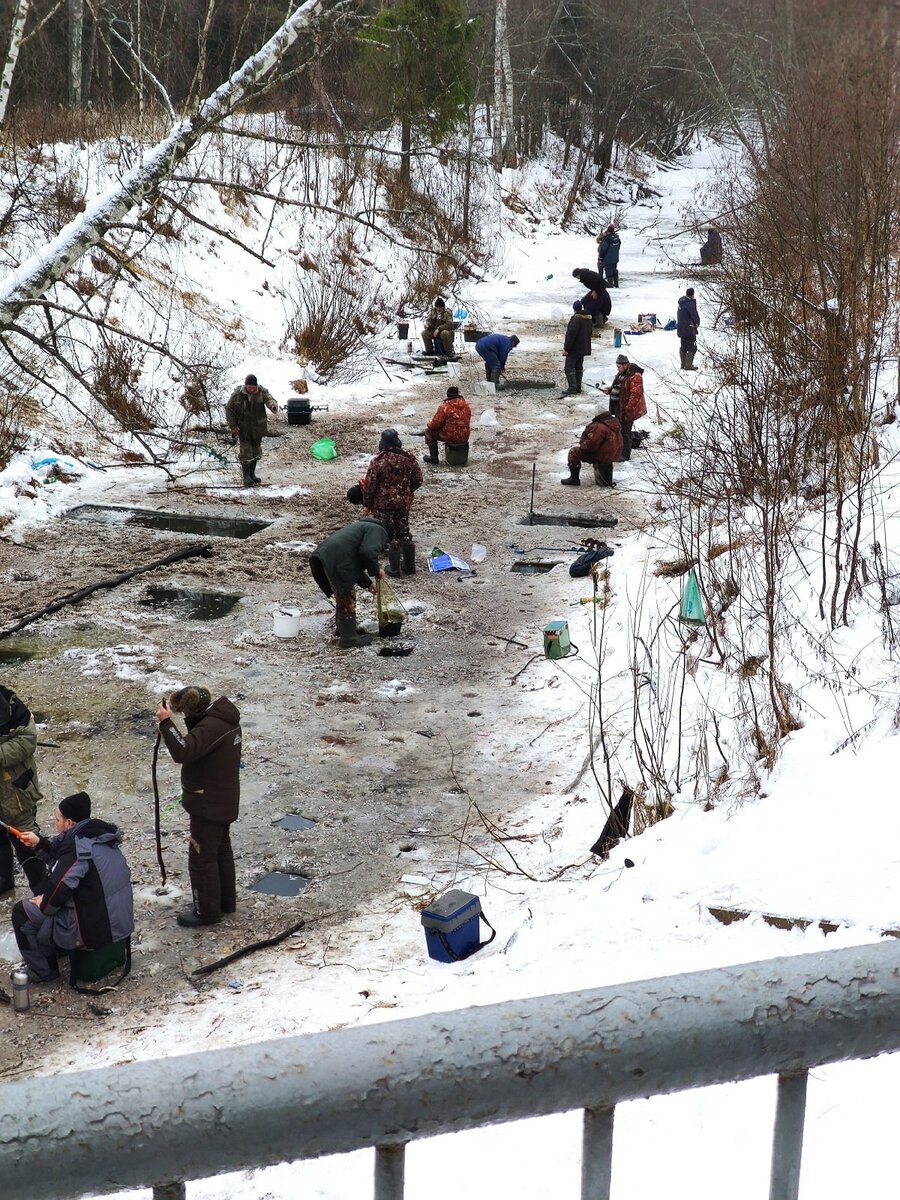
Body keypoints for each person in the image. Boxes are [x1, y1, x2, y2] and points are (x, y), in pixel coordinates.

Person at [11, 792, 134, 983]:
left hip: (99, 929)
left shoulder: (79, 851)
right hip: (118, 922)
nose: (55, 824)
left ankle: (44, 971)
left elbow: (56, 894)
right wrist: (39, 844)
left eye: (57, 820)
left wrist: (44, 901)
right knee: (51, 898)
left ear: (69, 823)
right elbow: (62, 854)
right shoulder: (98, 836)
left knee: (23, 911)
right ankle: (61, 948)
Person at [156, 686, 242, 928]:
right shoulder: (223, 719)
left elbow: (184, 751)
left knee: (202, 858)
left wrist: (166, 724)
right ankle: (226, 903)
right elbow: (201, 744)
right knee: (221, 851)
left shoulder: (211, 727)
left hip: (208, 804)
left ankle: (207, 912)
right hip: (223, 799)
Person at [309, 517, 388, 649]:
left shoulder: (362, 526)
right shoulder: (379, 531)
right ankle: (348, 639)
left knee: (342, 595)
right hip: (336, 560)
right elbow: (368, 552)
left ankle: (343, 630)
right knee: (346, 596)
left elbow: (353, 561)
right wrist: (376, 571)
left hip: (325, 556)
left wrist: (368, 583)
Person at [0, 684, 46, 895]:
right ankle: (4, 882)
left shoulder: (10, 705)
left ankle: (44, 891)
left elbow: (27, 740)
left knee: (25, 840)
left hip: (16, 792)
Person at [360, 429, 423, 578]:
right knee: (404, 530)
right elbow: (418, 480)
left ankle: (394, 569)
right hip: (403, 503)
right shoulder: (409, 459)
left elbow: (369, 486)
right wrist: (406, 491)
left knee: (390, 535)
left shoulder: (377, 461)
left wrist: (367, 504)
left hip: (384, 504)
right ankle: (409, 566)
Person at [224, 373, 279, 487]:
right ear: (246, 386)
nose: (251, 389)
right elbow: (228, 409)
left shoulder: (261, 392)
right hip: (243, 428)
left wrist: (273, 406)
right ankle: (246, 477)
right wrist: (233, 425)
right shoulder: (237, 395)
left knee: (256, 451)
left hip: (258, 427)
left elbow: (269, 399)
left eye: (253, 387)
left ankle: (252, 474)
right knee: (245, 451)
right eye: (249, 387)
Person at [560, 410, 623, 488]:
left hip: (602, 455)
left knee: (573, 452)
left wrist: (582, 445)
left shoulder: (599, 427)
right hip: (614, 454)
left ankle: (574, 479)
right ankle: (606, 478)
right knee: (604, 458)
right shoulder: (613, 422)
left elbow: (591, 446)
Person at [601, 353, 645, 461]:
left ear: (625, 365)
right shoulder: (622, 374)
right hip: (618, 407)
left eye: (619, 367)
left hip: (626, 409)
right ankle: (619, 451)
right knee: (619, 430)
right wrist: (610, 390)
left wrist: (628, 408)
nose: (618, 369)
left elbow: (636, 394)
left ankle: (625, 455)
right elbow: (619, 386)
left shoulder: (635, 376)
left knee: (625, 432)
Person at [423, 386, 472, 464]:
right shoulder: (466, 405)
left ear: (447, 395)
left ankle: (433, 458)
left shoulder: (445, 407)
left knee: (428, 432)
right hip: (465, 436)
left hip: (451, 437)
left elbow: (434, 425)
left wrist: (428, 424)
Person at [560, 301, 593, 396]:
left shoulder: (576, 319)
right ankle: (578, 387)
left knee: (569, 367)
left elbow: (570, 335)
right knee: (579, 367)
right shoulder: (588, 319)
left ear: (574, 309)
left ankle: (572, 387)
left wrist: (566, 348)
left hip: (575, 348)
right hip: (583, 348)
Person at [677, 287, 700, 370]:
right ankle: (688, 365)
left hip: (681, 329)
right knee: (692, 347)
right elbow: (694, 315)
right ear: (692, 294)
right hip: (689, 329)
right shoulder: (689, 304)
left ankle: (683, 365)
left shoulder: (681, 303)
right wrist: (697, 323)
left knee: (683, 346)